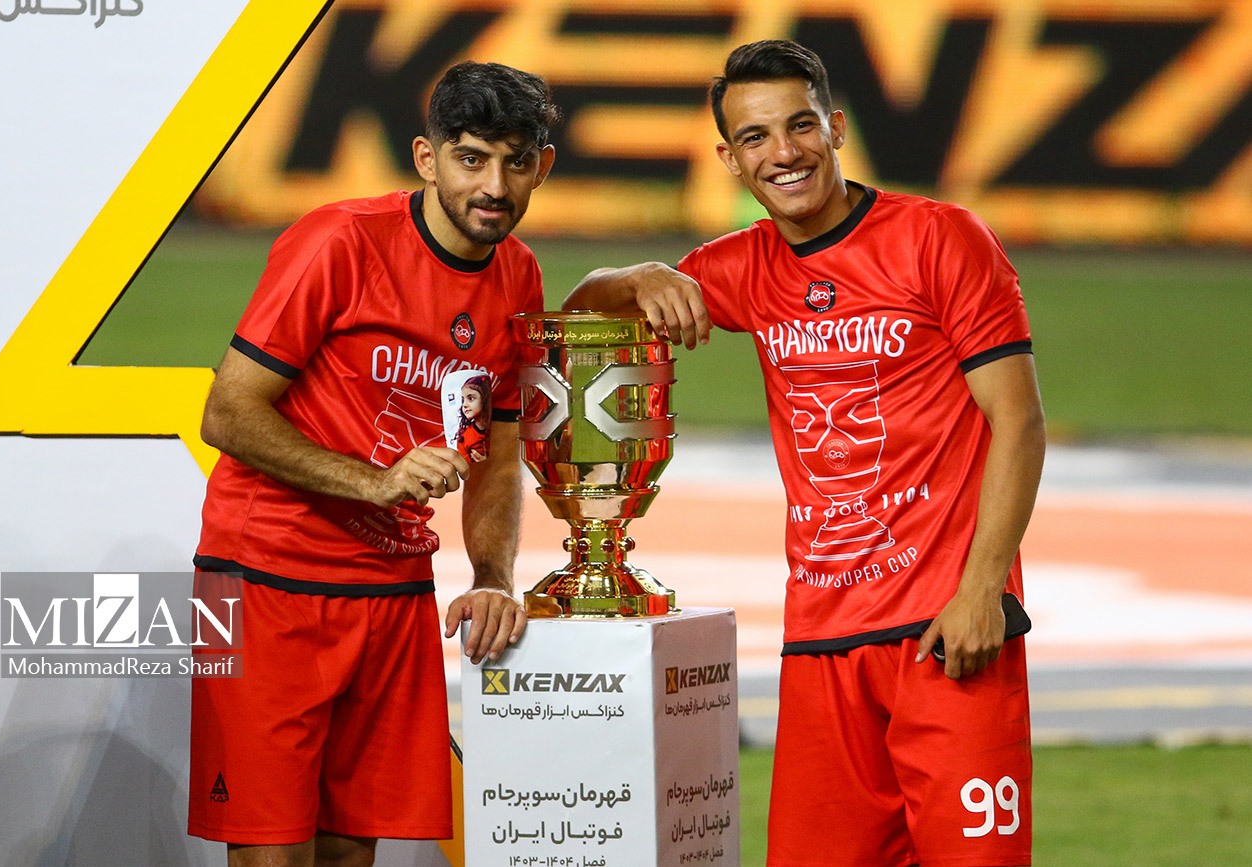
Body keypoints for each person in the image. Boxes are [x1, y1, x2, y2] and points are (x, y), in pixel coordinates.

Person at [565, 39, 1045, 867]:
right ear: (730, 159)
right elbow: (576, 316)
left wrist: (982, 591)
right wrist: (638, 275)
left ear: (837, 128)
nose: (782, 152)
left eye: (800, 125)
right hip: (822, 642)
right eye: (755, 137)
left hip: (946, 631)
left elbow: (1020, 421)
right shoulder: (744, 266)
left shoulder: (940, 238)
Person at [188, 61, 558, 867]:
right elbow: (228, 411)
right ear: (427, 158)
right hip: (270, 575)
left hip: (392, 587)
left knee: (352, 852)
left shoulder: (519, 275)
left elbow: (499, 450)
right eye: (471, 158)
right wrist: (374, 480)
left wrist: (493, 574)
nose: (494, 186)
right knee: (270, 855)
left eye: (515, 161)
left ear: (543, 167)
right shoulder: (341, 240)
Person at [453, 374, 493, 462]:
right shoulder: (465, 438)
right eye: (463, 400)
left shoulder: (499, 427)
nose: (464, 405)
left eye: (470, 398)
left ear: (485, 399)